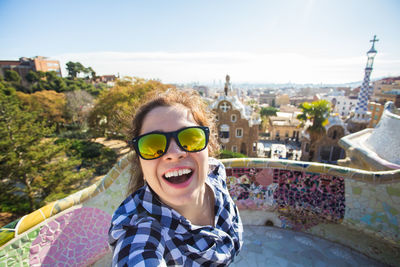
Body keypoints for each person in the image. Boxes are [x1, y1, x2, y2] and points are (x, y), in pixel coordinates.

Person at [108, 89, 243, 266]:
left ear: (207, 147)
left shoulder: (216, 175)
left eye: (190, 138)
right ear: (140, 161)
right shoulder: (142, 234)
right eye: (153, 144)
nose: (175, 153)